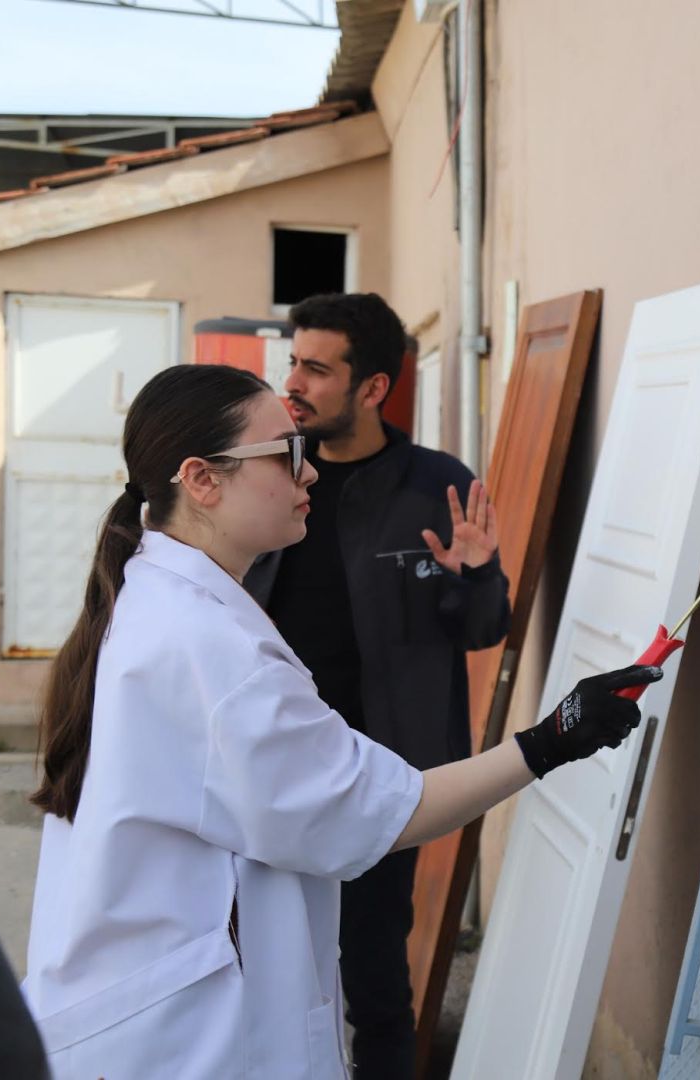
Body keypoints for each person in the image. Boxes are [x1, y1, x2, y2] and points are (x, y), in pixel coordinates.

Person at [21, 364, 660, 1079]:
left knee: (378, 982)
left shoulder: (154, 596)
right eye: (287, 454)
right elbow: (377, 813)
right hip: (185, 1037)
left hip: (139, 1002)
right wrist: (553, 739)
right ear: (202, 480)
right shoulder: (212, 649)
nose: (310, 475)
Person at [242, 292, 504, 1077]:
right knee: (259, 965)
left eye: (316, 369)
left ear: (373, 388)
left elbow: (486, 630)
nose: (295, 382)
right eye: (293, 362)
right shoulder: (269, 479)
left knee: (377, 980)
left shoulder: (435, 486)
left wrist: (477, 574)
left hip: (383, 777)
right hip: (272, 764)